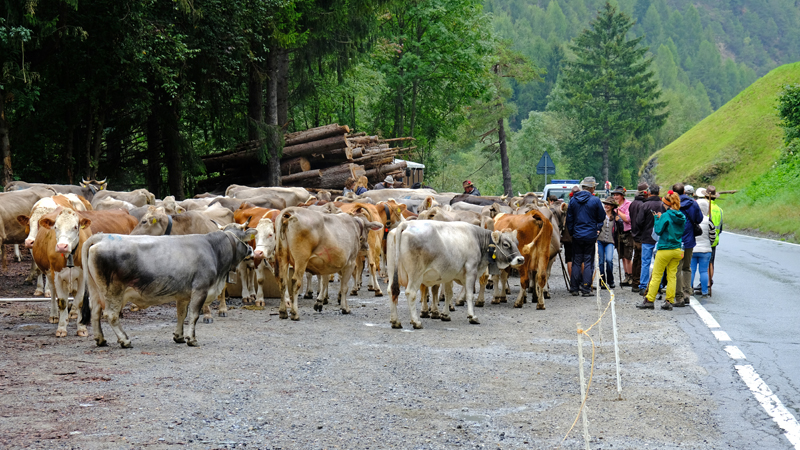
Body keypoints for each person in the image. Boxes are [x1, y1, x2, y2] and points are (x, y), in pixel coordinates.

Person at [637, 191, 686, 311]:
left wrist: (656, 218)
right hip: (677, 249)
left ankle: (649, 300)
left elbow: (658, 230)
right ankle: (669, 301)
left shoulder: (666, 215)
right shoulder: (681, 216)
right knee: (672, 276)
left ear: (667, 204)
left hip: (665, 248)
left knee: (657, 275)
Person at [565, 177, 605, 297]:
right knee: (588, 261)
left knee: (576, 261)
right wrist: (596, 227)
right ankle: (586, 288)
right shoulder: (595, 200)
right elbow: (601, 217)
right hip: (590, 235)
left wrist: (572, 232)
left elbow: (569, 219)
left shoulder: (573, 201)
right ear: (592, 188)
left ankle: (574, 287)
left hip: (577, 235)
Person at [672, 183, 703, 307]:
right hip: (689, 240)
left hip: (676, 240)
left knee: (677, 269)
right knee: (687, 267)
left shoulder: (673, 204)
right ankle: (687, 294)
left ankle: (678, 296)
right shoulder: (693, 203)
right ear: (684, 191)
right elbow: (699, 219)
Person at [635, 184, 664, 296]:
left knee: (645, 262)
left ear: (649, 192)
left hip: (647, 237)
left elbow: (639, 222)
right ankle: (658, 285)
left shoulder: (645, 205)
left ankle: (643, 286)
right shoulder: (662, 205)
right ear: (658, 193)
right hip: (660, 238)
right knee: (659, 263)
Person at [690, 197, 715, 299]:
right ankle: (705, 291)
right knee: (704, 271)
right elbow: (713, 236)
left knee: (691, 270)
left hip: (693, 249)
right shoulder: (709, 221)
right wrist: (710, 243)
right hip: (705, 250)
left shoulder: (692, 219)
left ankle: (689, 289)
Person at [628, 182, 649, 292]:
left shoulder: (633, 203)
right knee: (642, 260)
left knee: (636, 259)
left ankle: (635, 282)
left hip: (634, 234)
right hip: (641, 236)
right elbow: (641, 221)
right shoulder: (643, 204)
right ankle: (640, 282)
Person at [611, 186, 634, 286]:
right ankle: (626, 276)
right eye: (614, 195)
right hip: (618, 232)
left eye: (617, 195)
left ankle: (631, 276)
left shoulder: (628, 204)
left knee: (628, 256)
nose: (615, 197)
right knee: (622, 256)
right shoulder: (613, 205)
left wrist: (617, 211)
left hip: (627, 232)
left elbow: (627, 219)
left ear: (622, 196)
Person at [598, 197, 622, 288]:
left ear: (612, 206)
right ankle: (602, 281)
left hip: (610, 241)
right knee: (600, 262)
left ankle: (610, 280)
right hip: (600, 240)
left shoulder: (616, 216)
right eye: (605, 204)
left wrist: (619, 222)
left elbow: (621, 229)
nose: (606, 206)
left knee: (609, 260)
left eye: (608, 204)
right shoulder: (600, 214)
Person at [706, 185, 723, 295]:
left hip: (704, 238)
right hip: (715, 239)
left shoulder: (705, 207)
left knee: (702, 262)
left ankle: (704, 283)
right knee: (711, 262)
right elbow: (721, 228)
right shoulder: (720, 210)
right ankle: (709, 282)